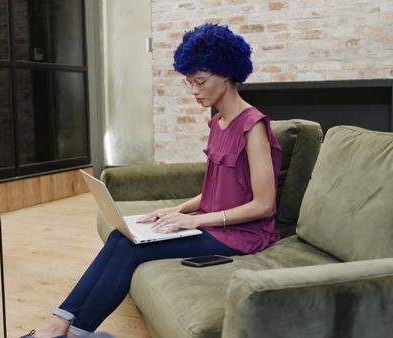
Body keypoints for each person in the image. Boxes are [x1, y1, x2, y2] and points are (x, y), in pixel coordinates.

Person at [22, 23, 283, 338]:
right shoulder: (218, 122)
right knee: (123, 236)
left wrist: (195, 222)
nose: (195, 91)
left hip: (240, 236)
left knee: (132, 249)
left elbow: (264, 205)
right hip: (214, 224)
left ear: (226, 74)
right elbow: (218, 190)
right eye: (190, 83)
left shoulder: (252, 127)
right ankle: (59, 324)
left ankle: (76, 333)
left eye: (200, 81)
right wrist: (179, 210)